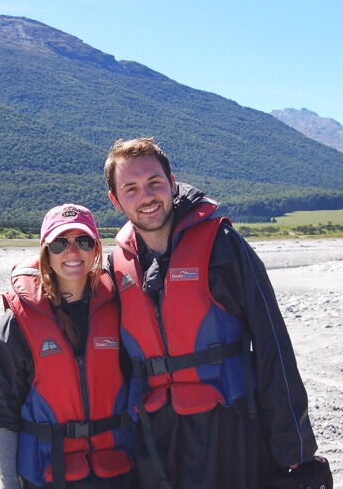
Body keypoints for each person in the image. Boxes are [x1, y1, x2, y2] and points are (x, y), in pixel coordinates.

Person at [103, 138, 328, 489]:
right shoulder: (116, 265)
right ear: (115, 200)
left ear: (172, 183)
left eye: (154, 183)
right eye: (130, 188)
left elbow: (273, 344)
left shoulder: (222, 245)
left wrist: (295, 447)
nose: (146, 196)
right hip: (155, 435)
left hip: (231, 425)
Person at [0, 204, 136, 489]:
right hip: (47, 472)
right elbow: (3, 409)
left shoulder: (119, 307)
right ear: (46, 253)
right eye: (59, 243)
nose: (72, 252)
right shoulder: (19, 322)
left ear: (95, 250)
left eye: (83, 241)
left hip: (117, 469)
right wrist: (9, 482)